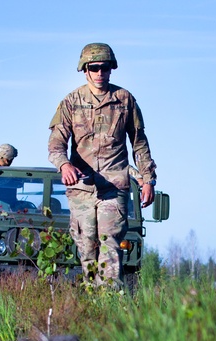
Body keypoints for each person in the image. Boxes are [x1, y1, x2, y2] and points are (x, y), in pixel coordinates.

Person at [47, 42, 157, 288]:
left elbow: (139, 144)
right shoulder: (71, 102)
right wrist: (64, 165)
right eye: (94, 68)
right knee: (86, 245)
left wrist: (148, 179)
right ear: (84, 70)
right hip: (82, 188)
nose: (99, 73)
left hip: (113, 187)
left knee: (110, 244)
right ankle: (91, 298)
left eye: (104, 68)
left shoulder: (124, 100)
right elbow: (55, 144)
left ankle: (109, 303)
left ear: (111, 69)